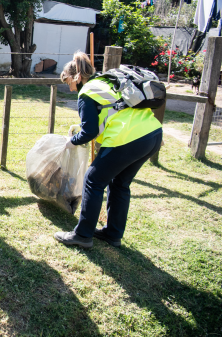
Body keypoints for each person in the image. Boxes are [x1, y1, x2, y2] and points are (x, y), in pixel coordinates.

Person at [53, 52, 163, 248]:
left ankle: (83, 235)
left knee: (93, 180)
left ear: (77, 77)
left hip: (127, 139)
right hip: (152, 134)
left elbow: (90, 132)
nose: (69, 87)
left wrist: (72, 142)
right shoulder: (106, 83)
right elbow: (111, 114)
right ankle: (113, 234)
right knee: (120, 183)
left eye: (68, 81)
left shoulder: (86, 92)